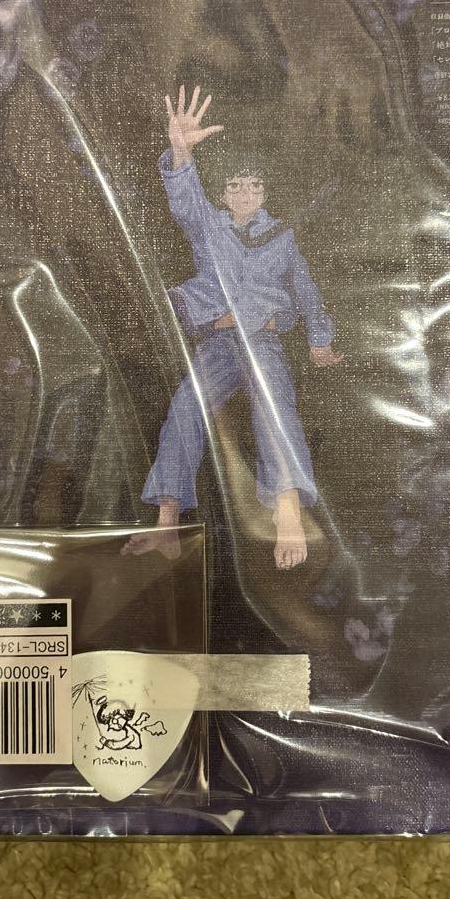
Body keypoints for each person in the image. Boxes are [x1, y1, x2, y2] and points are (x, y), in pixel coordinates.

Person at [128, 84, 343, 570]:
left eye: (255, 186)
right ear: (223, 194)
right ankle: (167, 521)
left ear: (266, 193)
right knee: (186, 407)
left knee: (275, 407)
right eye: (236, 186)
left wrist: (319, 339)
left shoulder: (281, 236)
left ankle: (287, 507)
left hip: (262, 339)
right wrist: (181, 153)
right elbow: (185, 201)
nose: (246, 194)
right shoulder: (209, 226)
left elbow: (305, 288)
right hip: (220, 340)